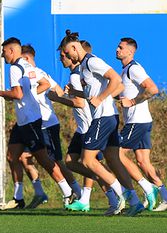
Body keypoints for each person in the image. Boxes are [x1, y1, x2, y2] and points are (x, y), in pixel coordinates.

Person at [57, 30, 147, 216]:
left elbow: (116, 80)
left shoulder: (92, 61)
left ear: (75, 47)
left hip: (103, 117)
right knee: (113, 160)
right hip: (108, 116)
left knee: (87, 160)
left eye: (67, 53)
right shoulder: (83, 66)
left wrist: (101, 98)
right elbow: (92, 93)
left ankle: (122, 196)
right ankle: (136, 202)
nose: (67, 56)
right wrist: (77, 94)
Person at [0, 36, 75, 209]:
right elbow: (43, 83)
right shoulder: (28, 66)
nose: (2, 55)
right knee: (12, 156)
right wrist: (30, 95)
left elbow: (18, 94)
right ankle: (18, 198)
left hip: (30, 121)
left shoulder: (15, 68)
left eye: (4, 52)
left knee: (43, 158)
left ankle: (68, 191)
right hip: (24, 121)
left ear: (12, 51)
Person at [115, 37, 167, 211]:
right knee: (143, 162)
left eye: (121, 47)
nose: (117, 50)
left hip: (137, 122)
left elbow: (153, 89)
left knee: (117, 155)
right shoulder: (125, 70)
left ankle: (147, 189)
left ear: (130, 52)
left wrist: (133, 102)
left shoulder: (133, 68)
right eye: (117, 47)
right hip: (143, 121)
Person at [18, 44, 80, 209]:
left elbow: (58, 92)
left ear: (26, 58)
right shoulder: (28, 74)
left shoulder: (37, 73)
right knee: (24, 157)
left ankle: (76, 193)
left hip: (47, 123)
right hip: (33, 123)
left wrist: (73, 100)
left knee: (56, 161)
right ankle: (40, 192)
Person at [47, 44, 98, 212]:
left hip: (89, 127)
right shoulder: (76, 75)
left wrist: (58, 98)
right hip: (82, 127)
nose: (61, 58)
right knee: (70, 162)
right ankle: (89, 195)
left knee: (89, 164)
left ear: (72, 55)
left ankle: (106, 190)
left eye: (64, 55)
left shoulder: (77, 76)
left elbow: (79, 103)